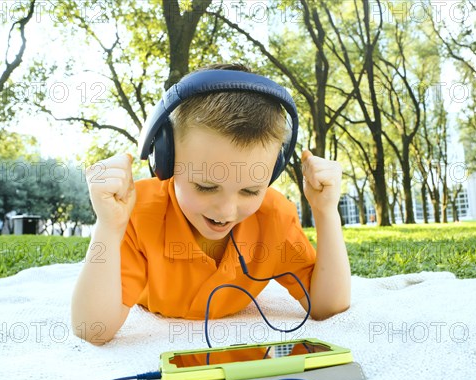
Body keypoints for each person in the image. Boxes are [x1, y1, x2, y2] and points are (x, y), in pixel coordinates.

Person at [71, 64, 351, 345]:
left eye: (251, 191)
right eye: (206, 187)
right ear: (165, 160)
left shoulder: (274, 217)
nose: (226, 211)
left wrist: (326, 212)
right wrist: (108, 226)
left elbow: (328, 306)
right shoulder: (138, 212)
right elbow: (92, 328)